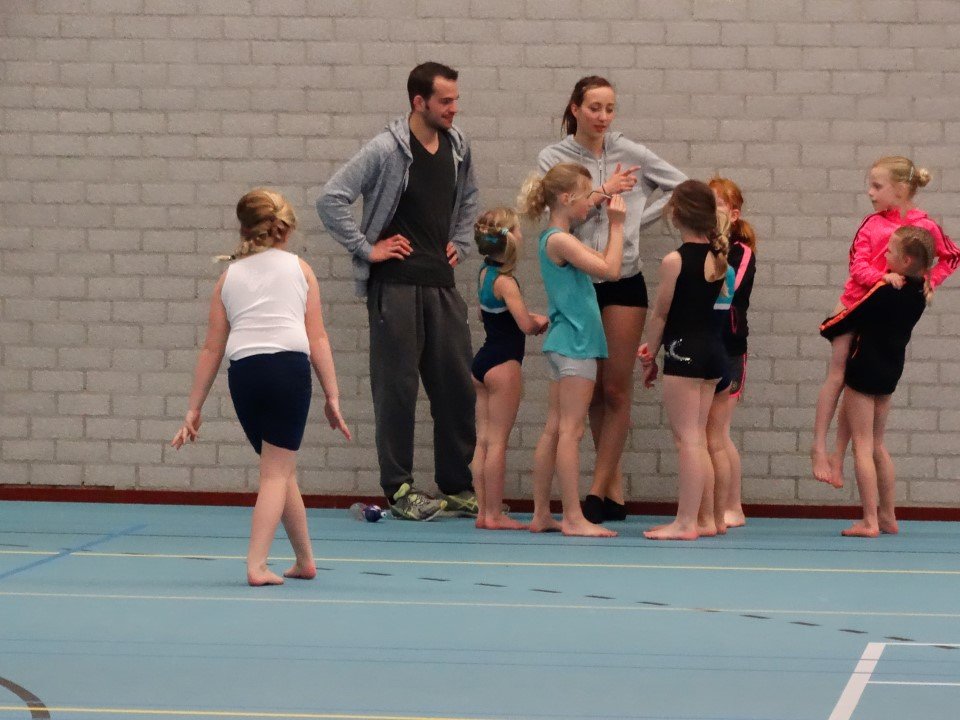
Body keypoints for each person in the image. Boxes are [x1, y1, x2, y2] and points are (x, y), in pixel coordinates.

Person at [316, 62, 480, 521]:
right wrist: (366, 249)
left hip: (441, 284)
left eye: (455, 99)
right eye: (445, 101)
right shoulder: (386, 149)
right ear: (418, 102)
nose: (453, 108)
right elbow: (331, 198)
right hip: (396, 288)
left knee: (457, 390)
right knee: (398, 391)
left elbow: (469, 198)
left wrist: (462, 241)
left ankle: (456, 486)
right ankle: (400, 488)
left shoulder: (458, 146)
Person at [171, 189, 351, 586]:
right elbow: (317, 338)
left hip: (245, 376)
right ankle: (256, 565)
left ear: (245, 229)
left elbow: (211, 348)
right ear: (286, 230)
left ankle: (304, 560)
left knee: (280, 470)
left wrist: (193, 408)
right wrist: (333, 395)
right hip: (287, 371)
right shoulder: (301, 269)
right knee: (275, 473)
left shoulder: (228, 277)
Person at [538, 75, 686, 524]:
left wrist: (637, 218)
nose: (603, 117)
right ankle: (613, 489)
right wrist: (603, 193)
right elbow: (557, 213)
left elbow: (682, 186)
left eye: (609, 108)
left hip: (623, 279)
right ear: (575, 109)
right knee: (591, 391)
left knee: (616, 388)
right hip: (581, 279)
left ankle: (599, 489)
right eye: (594, 108)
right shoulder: (554, 156)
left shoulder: (630, 152)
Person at [811, 157, 960, 486]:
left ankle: (838, 456)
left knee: (857, 384)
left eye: (877, 186)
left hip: (881, 316)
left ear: (901, 190)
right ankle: (819, 448)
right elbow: (857, 265)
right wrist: (882, 277)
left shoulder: (925, 226)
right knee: (838, 375)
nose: (870, 192)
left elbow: (952, 256)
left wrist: (928, 280)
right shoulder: (871, 224)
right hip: (853, 305)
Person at [520, 162, 626, 538]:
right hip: (576, 344)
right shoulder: (560, 241)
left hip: (564, 341)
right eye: (585, 197)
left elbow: (589, 202)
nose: (589, 205)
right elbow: (611, 270)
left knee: (554, 429)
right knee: (571, 431)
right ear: (566, 198)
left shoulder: (554, 237)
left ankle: (541, 514)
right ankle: (573, 516)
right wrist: (617, 224)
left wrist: (604, 190)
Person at [819, 227, 937, 537]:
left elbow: (849, 318)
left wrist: (825, 326)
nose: (884, 254)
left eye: (890, 251)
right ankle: (888, 516)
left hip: (864, 371)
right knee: (877, 445)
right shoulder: (920, 292)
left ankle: (869, 520)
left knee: (862, 447)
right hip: (889, 372)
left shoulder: (886, 291)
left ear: (906, 260)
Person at [638, 180, 729, 541]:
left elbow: (661, 314)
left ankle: (686, 522)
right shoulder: (717, 257)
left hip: (685, 353)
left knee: (688, 439)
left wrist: (649, 353)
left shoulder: (675, 261)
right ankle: (705, 519)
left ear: (675, 214)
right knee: (698, 439)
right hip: (712, 353)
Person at [470, 208, 549, 530]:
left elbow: (484, 314)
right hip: (504, 364)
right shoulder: (507, 282)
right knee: (498, 442)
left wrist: (526, 318)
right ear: (510, 240)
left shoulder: (484, 274)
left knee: (483, 440)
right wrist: (541, 321)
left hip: (482, 363)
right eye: (518, 229)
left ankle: (482, 512)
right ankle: (494, 514)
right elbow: (525, 326)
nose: (522, 233)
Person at [707, 177, 757, 528]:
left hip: (730, 348)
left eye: (718, 205)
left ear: (734, 214)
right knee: (706, 432)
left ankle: (733, 506)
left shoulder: (741, 252)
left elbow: (726, 288)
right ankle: (712, 504)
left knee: (719, 431)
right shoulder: (702, 247)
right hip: (704, 345)